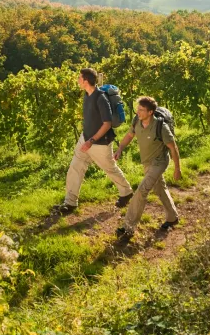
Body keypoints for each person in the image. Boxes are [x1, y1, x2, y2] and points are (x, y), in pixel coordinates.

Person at [54, 68, 133, 213]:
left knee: (110, 168)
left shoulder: (101, 99)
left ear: (85, 81)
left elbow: (107, 124)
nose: (78, 80)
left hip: (99, 143)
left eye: (79, 78)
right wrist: (86, 138)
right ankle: (70, 202)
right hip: (85, 138)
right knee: (75, 167)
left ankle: (126, 192)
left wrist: (91, 140)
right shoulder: (87, 94)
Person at [113, 96, 181, 239]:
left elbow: (173, 148)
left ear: (150, 112)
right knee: (160, 188)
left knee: (141, 191)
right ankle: (172, 217)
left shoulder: (160, 127)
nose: (138, 112)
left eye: (142, 110)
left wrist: (177, 168)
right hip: (147, 163)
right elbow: (129, 135)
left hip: (159, 162)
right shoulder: (137, 120)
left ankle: (128, 227)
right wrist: (120, 148)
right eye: (138, 109)